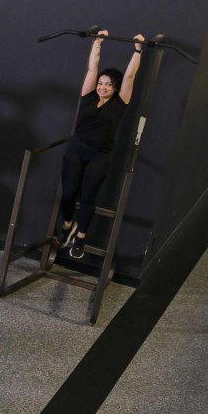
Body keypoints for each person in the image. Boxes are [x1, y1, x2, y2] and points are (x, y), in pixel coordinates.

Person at [59, 31, 145, 259]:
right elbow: (92, 69)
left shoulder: (119, 104)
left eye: (108, 84)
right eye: (101, 83)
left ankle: (81, 239)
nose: (102, 86)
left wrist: (137, 50)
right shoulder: (88, 95)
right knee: (68, 194)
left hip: (100, 155)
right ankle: (68, 226)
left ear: (115, 88)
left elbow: (129, 78)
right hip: (76, 150)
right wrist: (97, 43)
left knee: (88, 197)